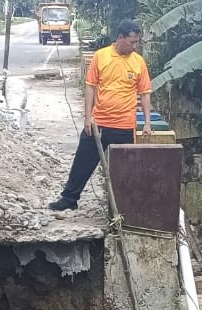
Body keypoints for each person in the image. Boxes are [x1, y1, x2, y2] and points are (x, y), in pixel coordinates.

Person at [46, 21, 153, 211]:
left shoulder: (138, 62)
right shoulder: (101, 56)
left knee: (124, 170)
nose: (135, 46)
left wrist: (146, 123)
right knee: (83, 161)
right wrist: (88, 117)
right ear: (120, 38)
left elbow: (145, 93)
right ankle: (69, 199)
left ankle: (123, 207)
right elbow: (90, 86)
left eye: (137, 42)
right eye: (132, 42)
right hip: (99, 123)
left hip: (125, 126)